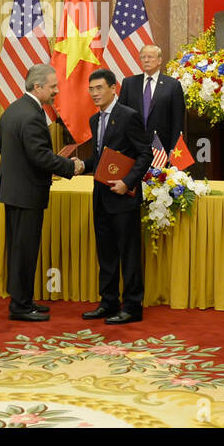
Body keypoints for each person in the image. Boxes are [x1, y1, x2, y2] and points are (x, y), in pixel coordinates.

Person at [0, 64, 81, 321]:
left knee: (20, 248)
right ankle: (20, 307)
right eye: (53, 86)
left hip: (15, 191)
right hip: (26, 193)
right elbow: (40, 156)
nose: (56, 91)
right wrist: (70, 166)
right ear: (38, 87)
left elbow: (2, 146)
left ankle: (23, 299)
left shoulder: (13, 109)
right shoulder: (32, 115)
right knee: (25, 250)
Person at [82, 68, 151, 325]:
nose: (95, 94)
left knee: (128, 253)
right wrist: (81, 165)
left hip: (123, 197)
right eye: (91, 89)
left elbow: (144, 154)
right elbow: (100, 158)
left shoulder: (128, 116)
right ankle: (108, 302)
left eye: (99, 88)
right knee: (106, 253)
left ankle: (132, 306)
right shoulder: (94, 119)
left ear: (113, 89)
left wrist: (127, 182)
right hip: (100, 196)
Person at [119, 44, 185, 153]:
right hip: (132, 147)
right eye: (143, 57)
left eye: (150, 57)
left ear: (159, 60)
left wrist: (174, 149)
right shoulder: (129, 83)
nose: (146, 60)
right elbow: (121, 117)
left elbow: (177, 122)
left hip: (161, 148)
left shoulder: (172, 85)